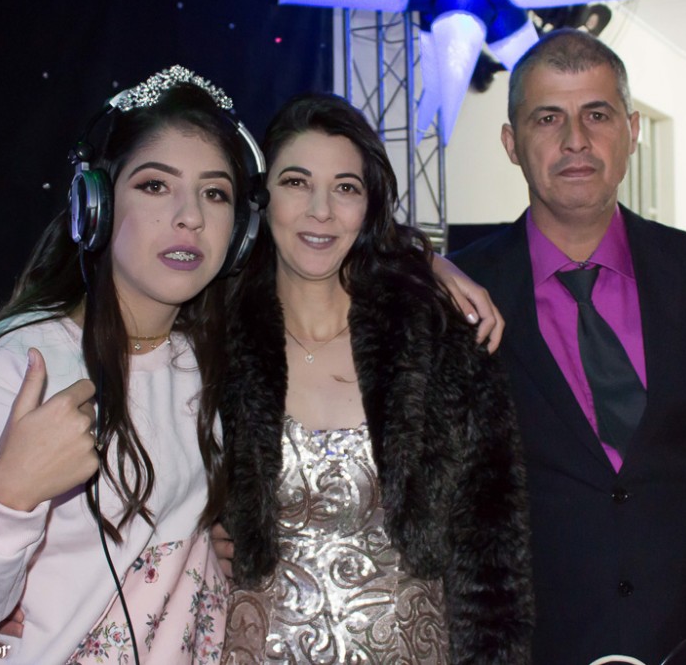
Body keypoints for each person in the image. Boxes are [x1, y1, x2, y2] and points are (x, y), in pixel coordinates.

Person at [448, 29, 686, 664]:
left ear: (632, 131)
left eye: (597, 114)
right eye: (547, 118)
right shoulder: (458, 292)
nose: (575, 140)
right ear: (511, 143)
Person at [0, 67, 253, 664]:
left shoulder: (202, 357)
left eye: (215, 193)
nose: (191, 216)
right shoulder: (18, 365)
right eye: (155, 185)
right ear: (94, 208)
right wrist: (8, 494)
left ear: (240, 230)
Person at [217, 93, 534, 664]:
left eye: (346, 187)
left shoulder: (438, 344)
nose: (321, 210)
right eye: (296, 182)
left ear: (369, 205)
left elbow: (492, 551)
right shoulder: (211, 344)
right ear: (261, 196)